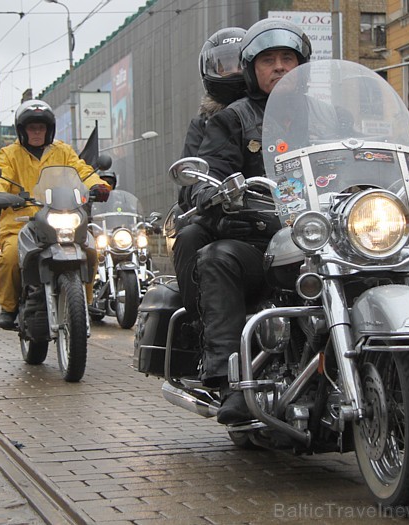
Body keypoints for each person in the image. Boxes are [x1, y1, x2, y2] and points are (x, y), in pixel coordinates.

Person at [185, 18, 313, 425]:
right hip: (262, 238)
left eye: (287, 58)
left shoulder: (328, 115)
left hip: (323, 234)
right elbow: (212, 167)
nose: (279, 67)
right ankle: (229, 377)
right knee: (217, 256)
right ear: (252, 70)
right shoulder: (233, 119)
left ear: (302, 64)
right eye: (268, 60)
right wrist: (210, 190)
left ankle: (406, 361)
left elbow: (365, 154)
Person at [0, 99, 111, 330]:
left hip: (61, 218)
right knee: (10, 256)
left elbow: (82, 171)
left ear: (49, 130)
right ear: (22, 130)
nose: (36, 132)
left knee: (91, 250)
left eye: (41, 127)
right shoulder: (9, 154)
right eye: (31, 127)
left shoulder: (62, 151)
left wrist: (97, 185)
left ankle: (84, 303)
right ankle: (9, 307)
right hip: (22, 223)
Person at [172, 27, 247, 318]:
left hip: (281, 210)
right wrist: (208, 197)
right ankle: (202, 321)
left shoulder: (279, 110)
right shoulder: (204, 122)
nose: (234, 71)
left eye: (240, 63)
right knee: (190, 236)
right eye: (224, 66)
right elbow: (188, 176)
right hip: (222, 213)